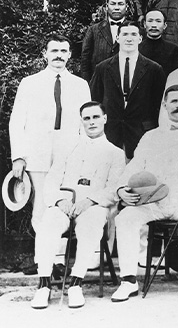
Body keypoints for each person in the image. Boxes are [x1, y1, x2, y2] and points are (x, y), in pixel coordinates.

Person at [111, 85, 178, 302]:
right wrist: (121, 188)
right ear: (165, 105)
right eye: (174, 101)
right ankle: (129, 280)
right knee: (125, 218)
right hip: (154, 200)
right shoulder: (151, 137)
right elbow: (134, 165)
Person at [29, 101, 125, 309]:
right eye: (87, 118)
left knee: (90, 226)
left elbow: (114, 189)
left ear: (105, 119)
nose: (91, 122)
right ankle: (44, 285)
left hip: (93, 206)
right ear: (81, 121)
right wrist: (60, 201)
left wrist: (89, 201)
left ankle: (76, 283)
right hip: (64, 204)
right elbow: (51, 182)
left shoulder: (115, 153)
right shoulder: (67, 148)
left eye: (96, 117)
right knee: (48, 224)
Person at [10, 34, 92, 235]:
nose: (59, 55)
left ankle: (59, 257)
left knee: (64, 201)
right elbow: (17, 122)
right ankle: (45, 259)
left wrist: (85, 153)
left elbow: (86, 122)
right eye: (54, 51)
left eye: (63, 51)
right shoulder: (29, 83)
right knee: (40, 202)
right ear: (45, 54)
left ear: (70, 55)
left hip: (69, 153)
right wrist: (18, 157)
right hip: (37, 153)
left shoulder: (80, 85)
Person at [90, 21, 166, 158]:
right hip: (110, 133)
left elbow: (159, 104)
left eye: (133, 34)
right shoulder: (102, 68)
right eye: (125, 34)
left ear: (140, 38)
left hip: (142, 133)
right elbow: (95, 100)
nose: (129, 38)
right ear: (118, 38)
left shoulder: (154, 69)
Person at [81, 0, 128, 80]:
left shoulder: (134, 30)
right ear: (107, 7)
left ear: (126, 7)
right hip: (100, 86)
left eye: (120, 4)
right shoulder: (94, 30)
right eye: (113, 4)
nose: (117, 8)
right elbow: (85, 61)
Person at [139, 9, 178, 76]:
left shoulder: (173, 50)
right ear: (144, 24)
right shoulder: (137, 48)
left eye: (158, 21)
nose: (154, 25)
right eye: (150, 21)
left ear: (165, 25)